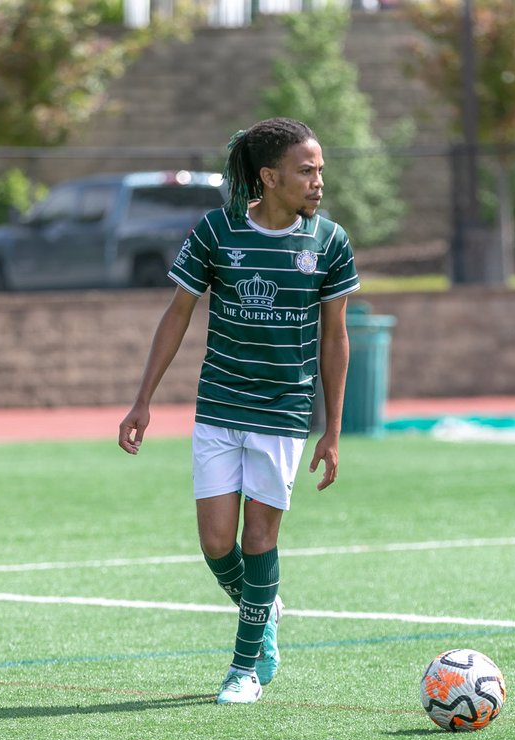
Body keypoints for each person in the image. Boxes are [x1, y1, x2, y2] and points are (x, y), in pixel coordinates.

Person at [118, 117, 359, 705]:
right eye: (307, 171)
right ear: (269, 177)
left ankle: (244, 668)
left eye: (321, 170)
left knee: (259, 537)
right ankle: (265, 606)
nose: (318, 181)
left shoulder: (328, 242)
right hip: (220, 404)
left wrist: (332, 428)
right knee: (215, 541)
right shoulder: (216, 231)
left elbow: (335, 338)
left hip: (283, 409)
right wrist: (143, 399)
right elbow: (177, 314)